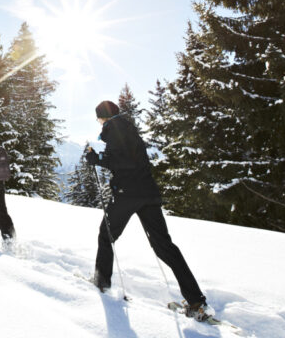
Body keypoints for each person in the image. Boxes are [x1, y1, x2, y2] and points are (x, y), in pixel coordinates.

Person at [85, 100, 209, 320]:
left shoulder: (113, 129)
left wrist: (96, 158)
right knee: (164, 246)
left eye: (98, 118)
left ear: (103, 117)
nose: (99, 123)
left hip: (127, 193)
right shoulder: (129, 129)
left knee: (106, 235)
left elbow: (121, 161)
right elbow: (132, 159)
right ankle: (195, 300)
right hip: (149, 195)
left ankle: (102, 282)